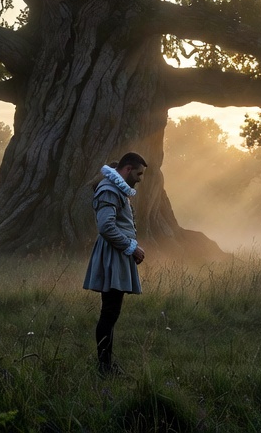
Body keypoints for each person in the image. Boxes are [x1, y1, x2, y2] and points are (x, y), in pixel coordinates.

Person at [82, 152, 147, 376]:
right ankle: (104, 367)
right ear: (127, 169)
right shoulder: (109, 190)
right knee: (109, 312)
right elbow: (106, 227)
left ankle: (106, 364)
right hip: (112, 255)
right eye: (138, 173)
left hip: (117, 254)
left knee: (111, 312)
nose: (140, 179)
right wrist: (131, 247)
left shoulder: (117, 190)